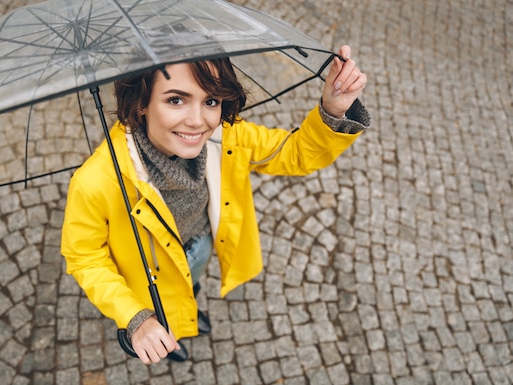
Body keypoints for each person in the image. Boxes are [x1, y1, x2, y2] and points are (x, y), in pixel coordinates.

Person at [61, 45, 370, 364]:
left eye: (210, 101)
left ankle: (187, 310)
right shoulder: (96, 181)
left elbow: (294, 153)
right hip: (147, 274)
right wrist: (136, 318)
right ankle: (173, 330)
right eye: (175, 100)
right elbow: (85, 257)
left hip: (200, 246)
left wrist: (333, 110)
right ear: (141, 103)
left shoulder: (227, 138)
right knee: (162, 311)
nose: (197, 121)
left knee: (189, 283)